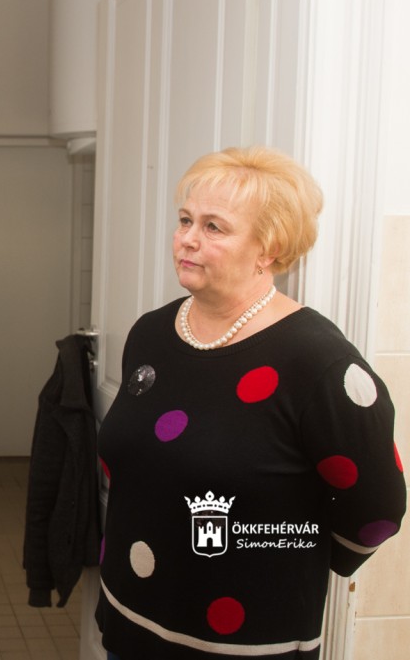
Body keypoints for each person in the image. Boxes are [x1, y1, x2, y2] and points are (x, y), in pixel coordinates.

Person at [95, 146, 405, 659]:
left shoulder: (318, 361)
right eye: (185, 220)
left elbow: (377, 507)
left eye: (214, 227)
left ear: (269, 249)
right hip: (130, 621)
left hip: (245, 643)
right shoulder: (150, 333)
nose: (187, 239)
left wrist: (276, 550)